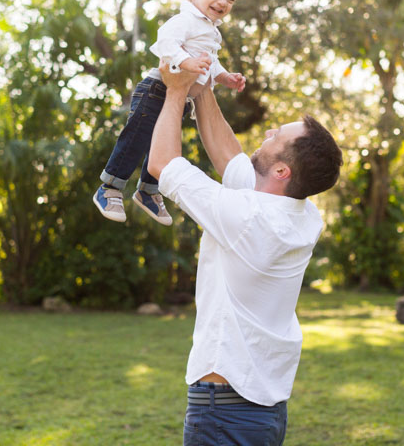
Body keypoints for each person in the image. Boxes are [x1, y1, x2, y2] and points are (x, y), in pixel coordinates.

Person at [147, 56, 343, 445]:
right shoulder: (302, 216)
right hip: (262, 408)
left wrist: (175, 91)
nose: (268, 131)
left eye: (276, 137)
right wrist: (203, 90)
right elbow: (231, 160)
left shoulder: (249, 217)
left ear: (282, 171)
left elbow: (162, 164)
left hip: (224, 410)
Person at [93, 0, 254, 226]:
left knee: (163, 143)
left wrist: (225, 77)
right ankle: (109, 187)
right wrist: (186, 61)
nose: (222, 2)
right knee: (138, 139)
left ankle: (148, 191)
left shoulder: (210, 29)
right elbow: (166, 43)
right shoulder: (186, 20)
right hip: (156, 88)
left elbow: (209, 62)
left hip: (177, 97)